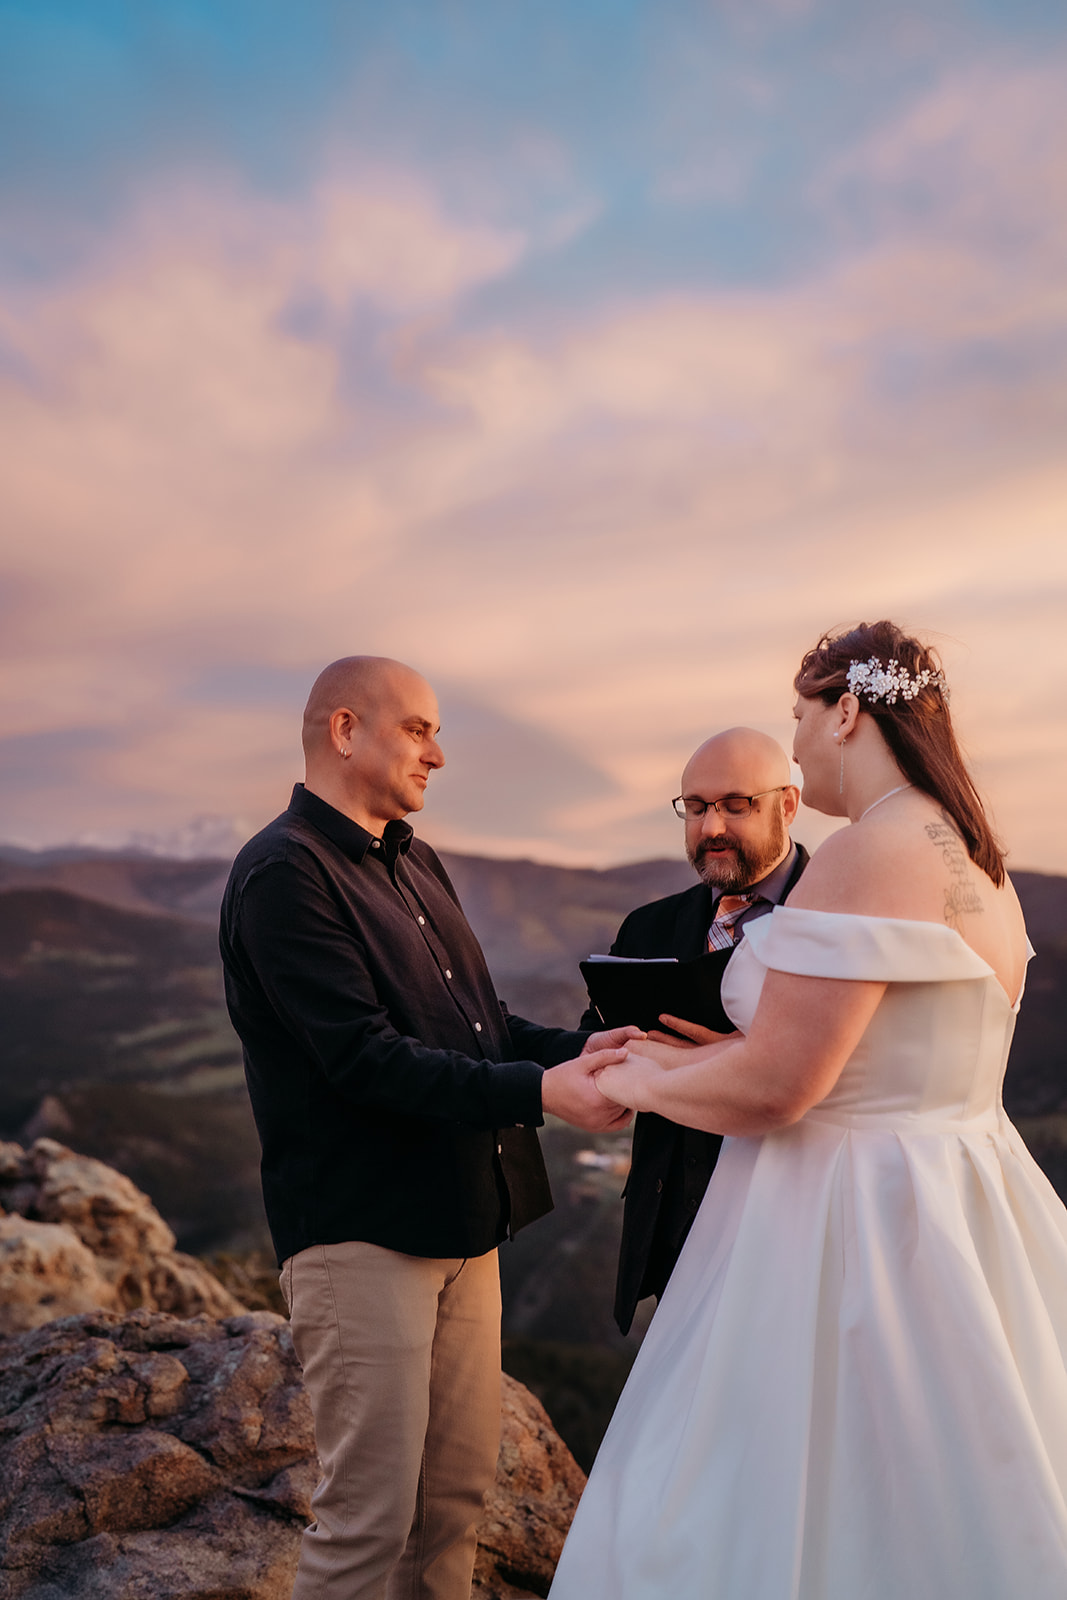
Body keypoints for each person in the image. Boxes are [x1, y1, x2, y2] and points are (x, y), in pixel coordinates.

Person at [549, 621, 1067, 1600]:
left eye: (799, 712)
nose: (794, 733)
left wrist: (627, 1078)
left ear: (844, 709)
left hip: (841, 1219)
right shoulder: (979, 859)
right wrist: (705, 1053)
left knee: (767, 1492)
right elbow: (880, 1059)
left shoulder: (862, 853)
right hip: (959, 1197)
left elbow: (780, 1090)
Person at [219, 656, 634, 1600]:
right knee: (368, 1518)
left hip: (464, 1223)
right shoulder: (284, 873)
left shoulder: (413, 859)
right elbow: (363, 1060)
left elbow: (477, 1022)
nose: (437, 754)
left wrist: (582, 1050)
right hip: (362, 1235)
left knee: (450, 1501)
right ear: (343, 730)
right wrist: (543, 1094)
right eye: (418, 729)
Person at [579, 728, 807, 1334]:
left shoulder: (831, 917)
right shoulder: (648, 929)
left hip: (794, 1226)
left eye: (737, 805)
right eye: (698, 807)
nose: (711, 828)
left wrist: (750, 1056)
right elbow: (594, 1047)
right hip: (673, 1233)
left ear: (787, 805)